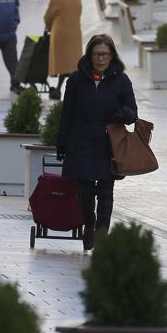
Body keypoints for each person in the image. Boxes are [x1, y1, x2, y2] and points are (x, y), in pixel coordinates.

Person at [57, 34, 138, 243]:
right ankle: (89, 222)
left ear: (112, 56)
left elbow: (132, 113)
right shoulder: (76, 80)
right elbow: (67, 113)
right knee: (84, 193)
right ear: (89, 55)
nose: (100, 59)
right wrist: (62, 142)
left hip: (107, 146)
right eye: (96, 54)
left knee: (105, 193)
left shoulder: (121, 80)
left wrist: (123, 114)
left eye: (104, 54)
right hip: (81, 143)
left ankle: (102, 237)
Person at [43, 0, 83, 100]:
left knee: (62, 64)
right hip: (75, 34)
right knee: (72, 64)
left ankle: (59, 90)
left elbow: (48, 17)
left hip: (60, 34)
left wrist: (49, 27)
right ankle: (69, 89)